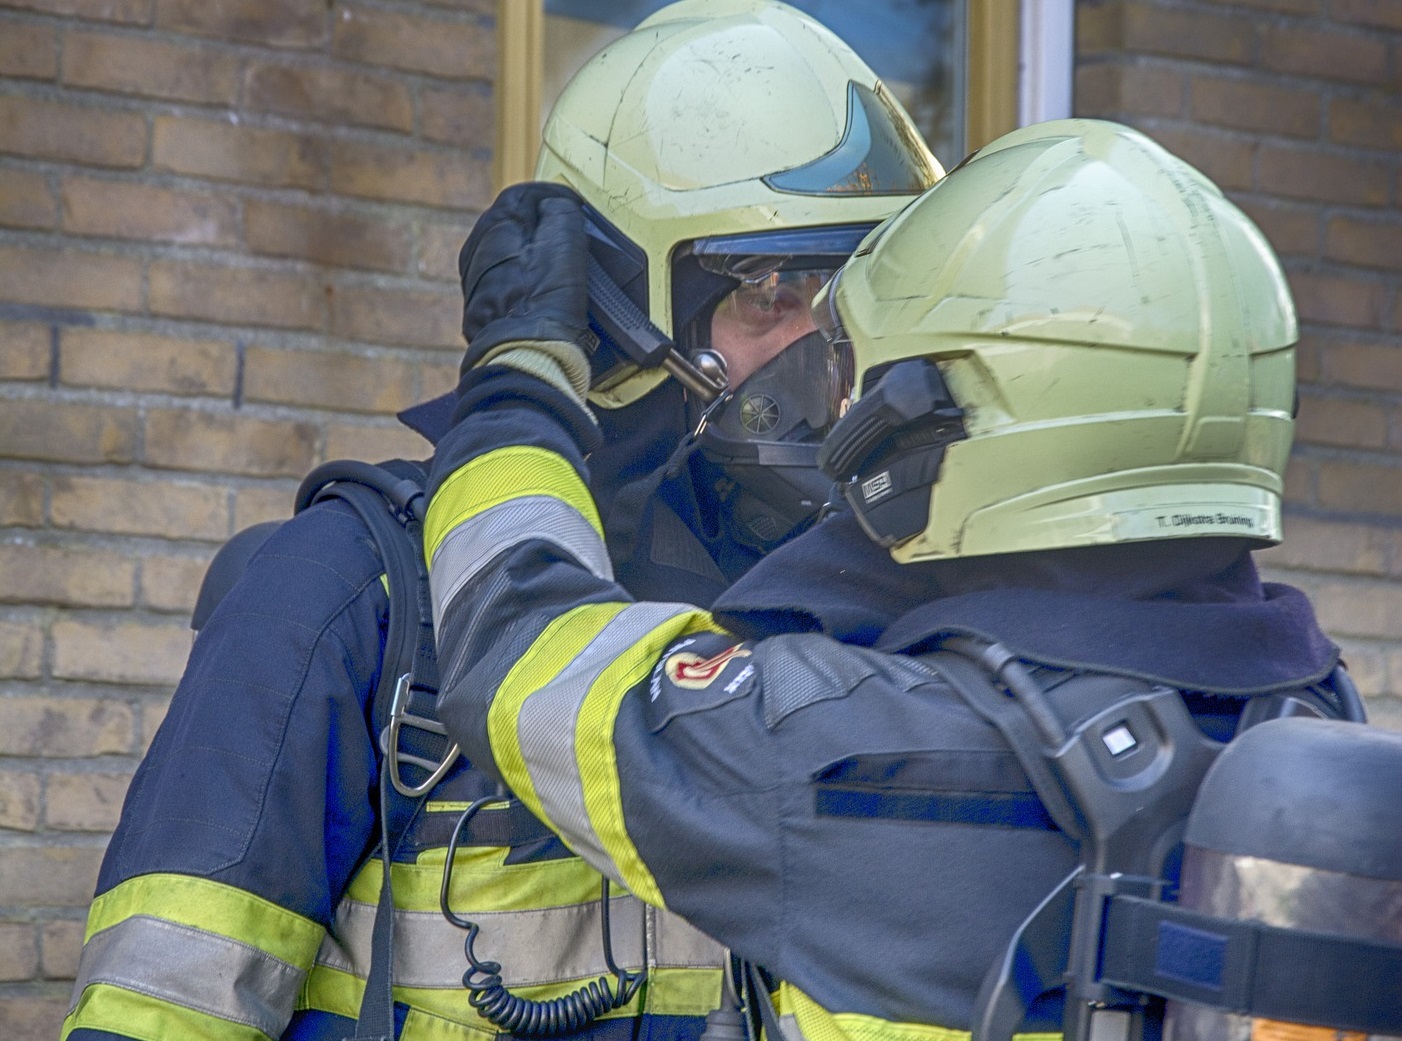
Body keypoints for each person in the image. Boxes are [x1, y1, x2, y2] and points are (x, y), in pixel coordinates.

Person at [60, 3, 943, 1040]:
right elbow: (160, 1004)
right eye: (770, 293)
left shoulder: (847, 601)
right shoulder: (354, 587)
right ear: (616, 304)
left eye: (846, 297)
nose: (824, 352)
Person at [421, 117, 1354, 1041]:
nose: (839, 409)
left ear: (940, 419)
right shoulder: (1323, 727)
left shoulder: (836, 742)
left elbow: (525, 646)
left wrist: (519, 382)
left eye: (866, 379)